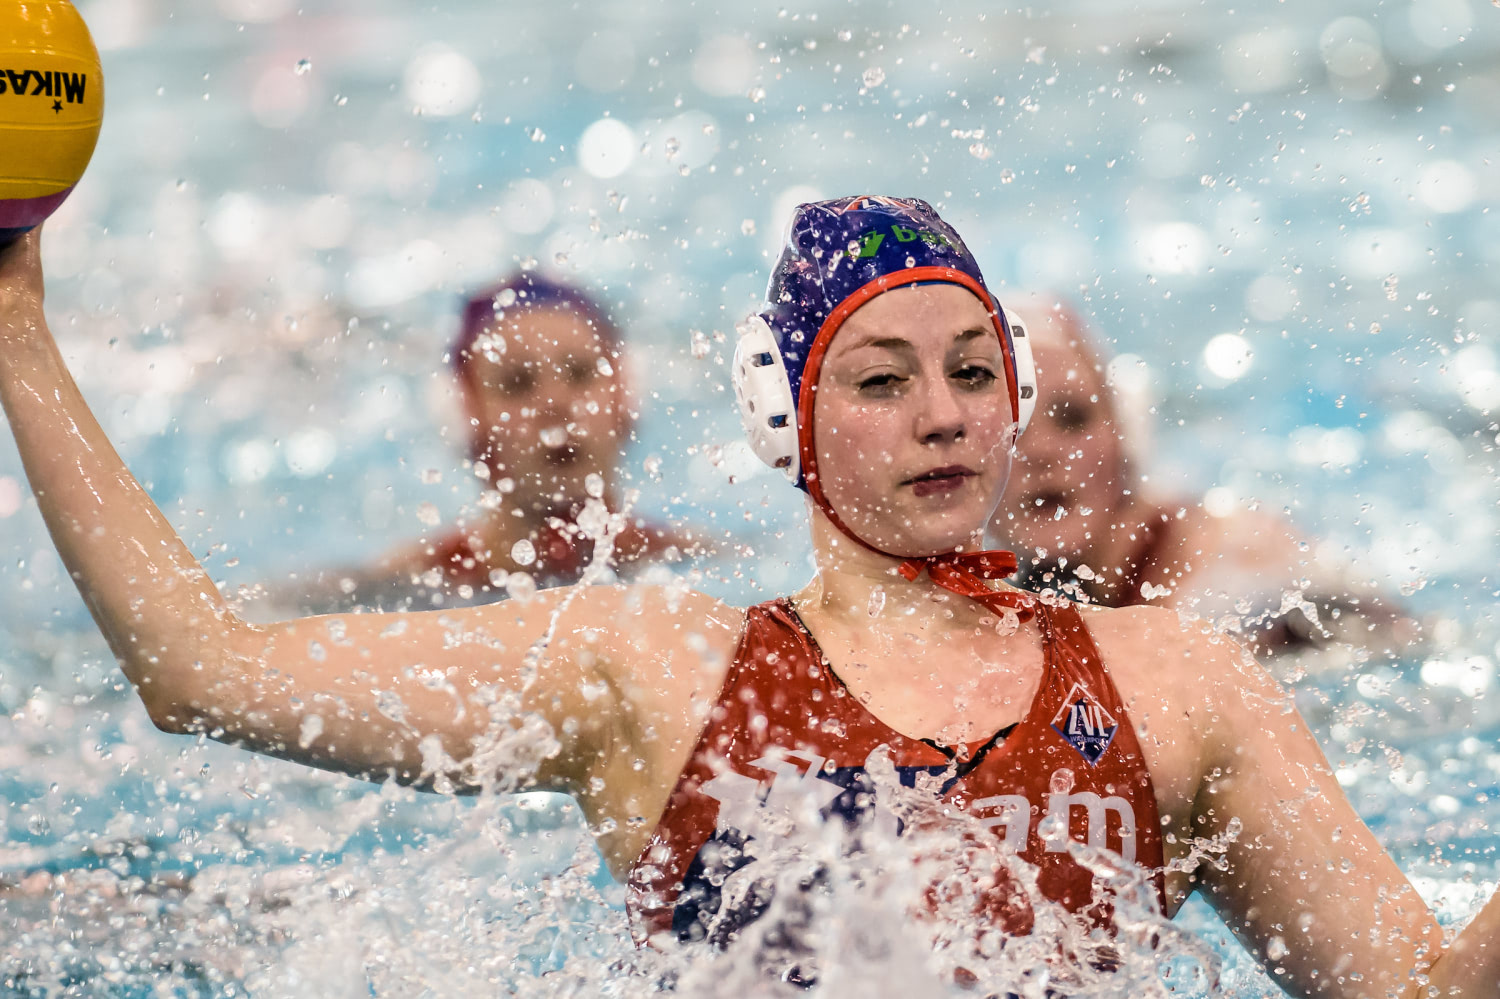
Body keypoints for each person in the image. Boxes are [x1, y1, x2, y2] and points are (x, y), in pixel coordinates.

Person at [2, 197, 1496, 995]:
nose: (944, 416)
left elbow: (1423, 989)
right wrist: (16, 330)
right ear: (787, 419)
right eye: (883, 377)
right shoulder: (652, 666)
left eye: (976, 374)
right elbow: (202, 667)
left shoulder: (1180, 680)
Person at [995, 294, 1411, 655]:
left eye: (1073, 419)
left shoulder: (1224, 565)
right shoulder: (1005, 600)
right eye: (1012, 426)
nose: (1042, 453)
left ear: (1126, 440)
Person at [281, 273, 697, 612]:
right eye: (517, 383)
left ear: (627, 396)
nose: (555, 405)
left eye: (581, 374)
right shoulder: (416, 582)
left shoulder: (683, 559)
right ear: (466, 418)